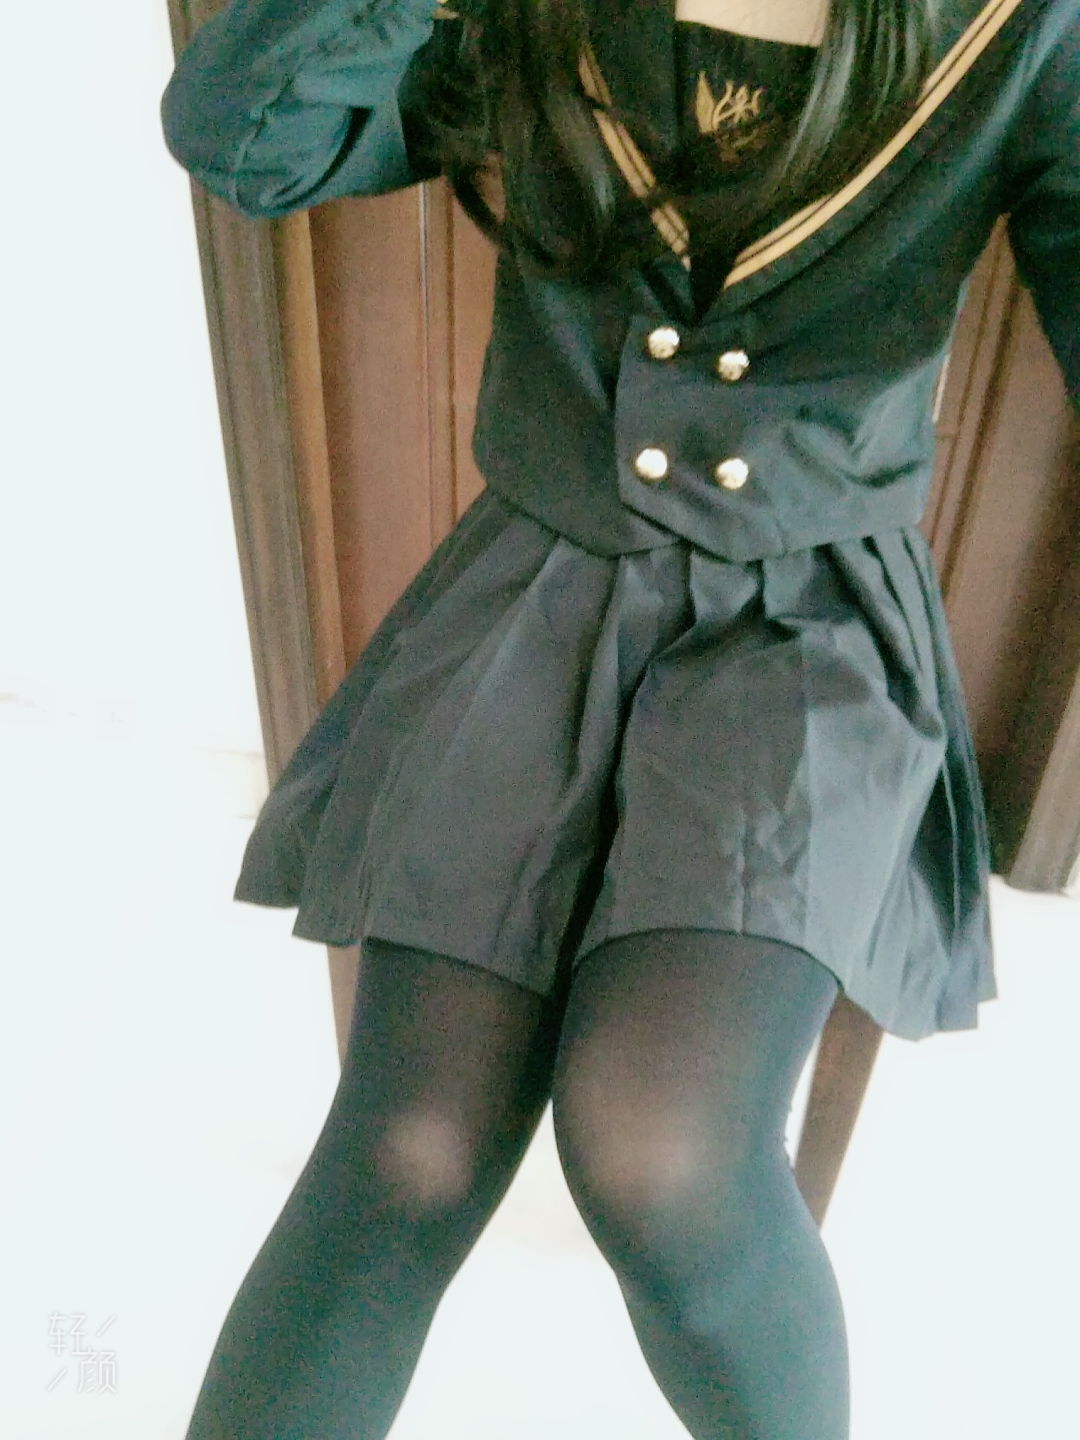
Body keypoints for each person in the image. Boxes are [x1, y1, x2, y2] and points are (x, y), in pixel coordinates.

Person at [161, 0, 1078, 1434]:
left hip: (808, 624)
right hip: (535, 591)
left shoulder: (1024, 28)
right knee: (407, 1147)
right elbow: (242, 137)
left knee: (662, 1157)